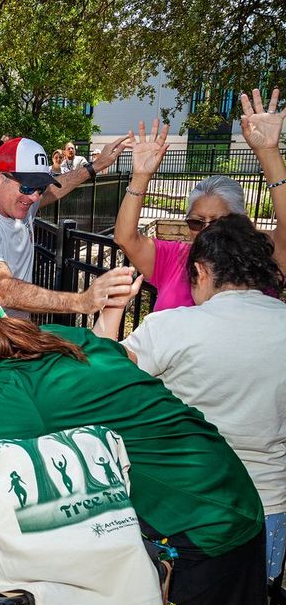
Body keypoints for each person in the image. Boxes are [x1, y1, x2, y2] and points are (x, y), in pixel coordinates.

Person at [0, 280, 268, 605]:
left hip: (203, 522)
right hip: (222, 477)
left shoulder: (10, 388)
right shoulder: (56, 337)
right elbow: (125, 361)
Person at [105, 215, 286, 583]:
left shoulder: (172, 327)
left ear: (201, 271)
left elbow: (103, 379)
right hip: (268, 506)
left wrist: (111, 311)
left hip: (184, 507)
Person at [114, 91, 286, 311]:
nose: (205, 230)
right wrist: (140, 177)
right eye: (196, 222)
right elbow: (125, 238)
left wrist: (269, 153)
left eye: (217, 222)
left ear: (240, 220)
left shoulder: (262, 260)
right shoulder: (176, 258)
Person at [0, 135, 137, 321]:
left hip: (11, 331)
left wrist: (97, 165)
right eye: (27, 187)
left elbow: (58, 188)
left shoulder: (18, 203)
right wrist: (81, 301)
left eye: (40, 188)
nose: (35, 197)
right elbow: (2, 289)